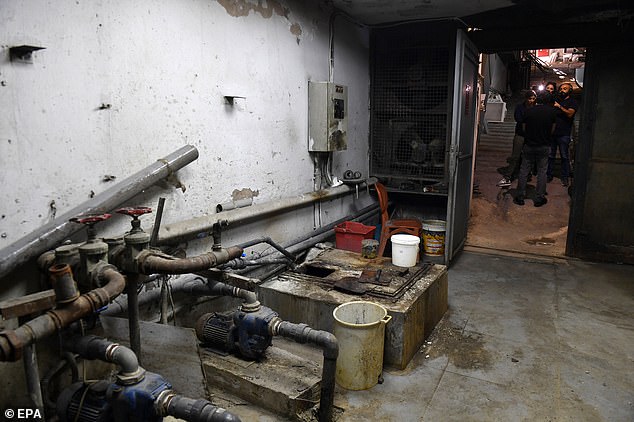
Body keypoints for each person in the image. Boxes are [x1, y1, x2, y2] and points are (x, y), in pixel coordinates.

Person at [514, 91, 557, 207]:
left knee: (524, 171)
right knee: (542, 172)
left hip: (529, 144)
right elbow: (552, 130)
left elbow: (524, 129)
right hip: (544, 145)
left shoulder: (529, 111)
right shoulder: (552, 112)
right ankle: (539, 198)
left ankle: (520, 196)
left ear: (537, 99)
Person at [497, 90, 537, 187]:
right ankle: (508, 177)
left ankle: (527, 174)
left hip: (532, 135)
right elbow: (519, 119)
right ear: (526, 98)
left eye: (533, 99)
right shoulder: (520, 107)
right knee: (515, 156)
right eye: (530, 98)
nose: (531, 101)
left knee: (529, 156)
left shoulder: (536, 108)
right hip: (520, 134)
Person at [547, 82, 579, 186]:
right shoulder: (556, 100)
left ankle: (565, 176)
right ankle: (549, 175)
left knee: (564, 156)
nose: (562, 90)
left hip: (564, 133)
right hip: (553, 133)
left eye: (565, 89)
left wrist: (559, 106)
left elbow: (570, 114)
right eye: (561, 89)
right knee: (550, 155)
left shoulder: (572, 102)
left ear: (569, 91)